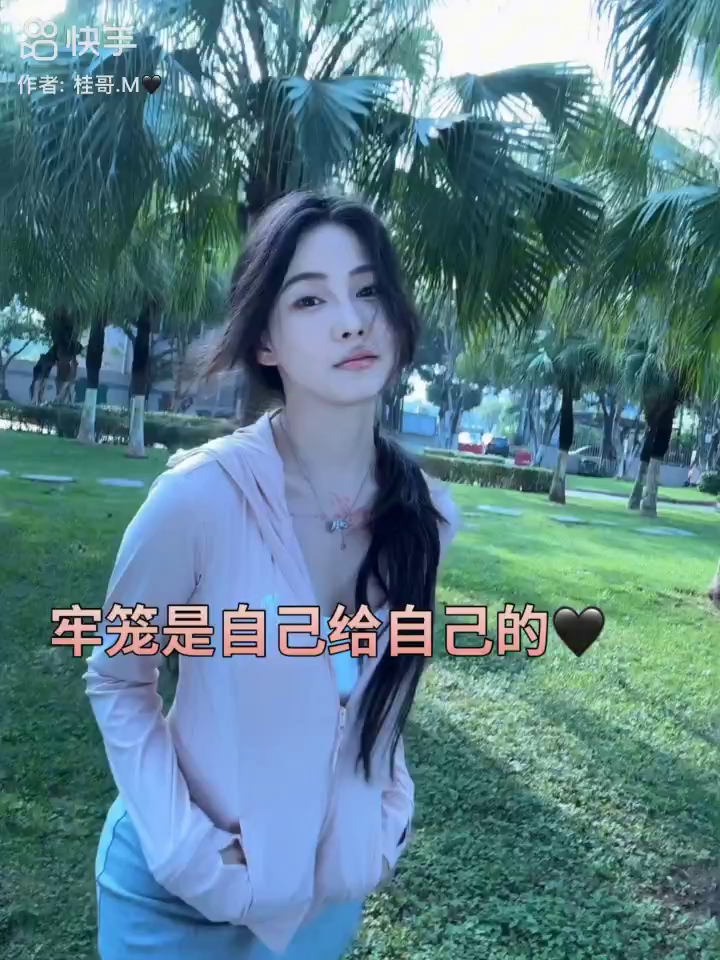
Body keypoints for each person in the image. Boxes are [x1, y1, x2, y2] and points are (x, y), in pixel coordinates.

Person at [84, 190, 462, 959]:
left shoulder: (423, 516)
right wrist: (188, 853)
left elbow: (381, 694)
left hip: (326, 899)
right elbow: (118, 679)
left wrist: (382, 820)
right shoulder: (198, 499)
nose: (351, 321)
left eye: (368, 291)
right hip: (173, 902)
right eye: (311, 299)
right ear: (265, 341)